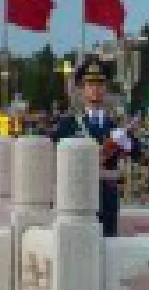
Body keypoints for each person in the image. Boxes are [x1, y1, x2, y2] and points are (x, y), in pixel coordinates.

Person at [52, 58, 136, 236]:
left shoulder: (115, 125)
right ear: (82, 89)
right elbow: (55, 154)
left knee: (108, 243)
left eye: (100, 84)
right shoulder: (69, 124)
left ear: (105, 88)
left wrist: (127, 143)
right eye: (90, 84)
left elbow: (137, 153)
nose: (96, 89)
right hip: (79, 196)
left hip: (108, 197)